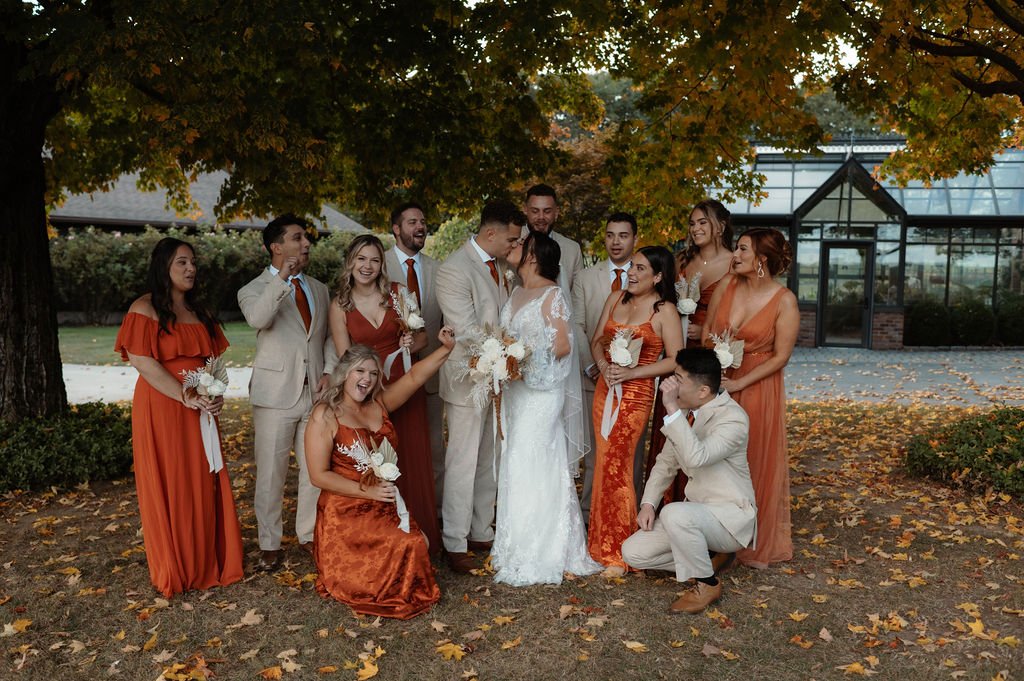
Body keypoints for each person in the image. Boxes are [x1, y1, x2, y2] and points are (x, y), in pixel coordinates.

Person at [115, 237, 243, 596]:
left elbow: (212, 363)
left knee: (204, 479)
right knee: (172, 480)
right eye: (181, 263)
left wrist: (212, 394)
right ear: (164, 268)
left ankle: (208, 561)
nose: (190, 269)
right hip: (163, 406)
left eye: (192, 263)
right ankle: (177, 565)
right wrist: (184, 395)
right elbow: (143, 362)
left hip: (200, 407)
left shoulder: (200, 312)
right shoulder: (144, 308)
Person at [305, 328, 456, 619]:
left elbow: (414, 378)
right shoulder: (325, 414)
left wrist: (446, 349)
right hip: (344, 507)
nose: (366, 379)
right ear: (344, 373)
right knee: (411, 544)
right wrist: (367, 491)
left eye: (373, 374)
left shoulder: (379, 404)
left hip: (383, 501)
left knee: (420, 543)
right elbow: (318, 476)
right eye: (359, 371)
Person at [491, 231, 602, 585]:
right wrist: (503, 360)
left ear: (534, 256)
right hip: (517, 392)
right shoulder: (516, 290)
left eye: (521, 244)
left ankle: (545, 549)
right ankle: (515, 544)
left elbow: (563, 347)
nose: (514, 246)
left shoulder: (552, 294)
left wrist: (520, 361)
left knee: (534, 460)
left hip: (541, 392)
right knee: (515, 458)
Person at [622, 348, 756, 614]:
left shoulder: (733, 419)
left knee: (674, 514)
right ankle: (709, 558)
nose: (671, 385)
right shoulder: (687, 414)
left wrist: (672, 408)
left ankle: (707, 583)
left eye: (679, 379)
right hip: (695, 517)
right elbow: (666, 464)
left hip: (729, 520)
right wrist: (648, 503)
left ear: (704, 391)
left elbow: (697, 457)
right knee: (633, 552)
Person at [328, 234, 440, 553]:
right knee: (378, 460)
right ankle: (385, 542)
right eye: (361, 259)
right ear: (351, 262)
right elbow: (345, 358)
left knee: (412, 456)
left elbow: (422, 339)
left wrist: (410, 343)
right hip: (367, 389)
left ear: (382, 264)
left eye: (374, 260)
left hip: (406, 379)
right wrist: (360, 392)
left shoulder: (399, 294)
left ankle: (421, 537)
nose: (368, 266)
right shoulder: (340, 305)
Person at [238, 215, 336, 571]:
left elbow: (325, 337)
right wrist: (282, 278)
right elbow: (258, 319)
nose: (306, 244)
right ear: (276, 247)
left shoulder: (320, 289)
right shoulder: (252, 289)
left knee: (314, 469)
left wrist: (328, 371)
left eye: (306, 238)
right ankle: (269, 543)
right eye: (297, 238)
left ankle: (309, 535)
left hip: (316, 393)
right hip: (275, 394)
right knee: (271, 473)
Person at [703, 228, 799, 568]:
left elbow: (780, 357)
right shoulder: (726, 287)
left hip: (758, 387)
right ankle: (714, 536)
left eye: (743, 249)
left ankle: (748, 541)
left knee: (751, 458)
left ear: (761, 259)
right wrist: (716, 376)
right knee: (714, 459)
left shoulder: (784, 300)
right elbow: (707, 336)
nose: (736, 255)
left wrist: (741, 383)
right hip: (719, 383)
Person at [435, 200, 522, 573]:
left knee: (491, 457)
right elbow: (467, 329)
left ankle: (481, 529)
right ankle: (454, 540)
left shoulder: (503, 266)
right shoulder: (453, 270)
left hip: (498, 376)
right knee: (463, 460)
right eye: (511, 239)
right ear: (491, 233)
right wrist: (508, 352)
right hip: (466, 379)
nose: (514, 245)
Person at [588, 246, 684, 575]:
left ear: (658, 277)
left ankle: (619, 550)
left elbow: (676, 359)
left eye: (642, 269)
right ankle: (599, 544)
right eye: (633, 266)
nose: (632, 272)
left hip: (636, 392)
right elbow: (598, 339)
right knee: (603, 462)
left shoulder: (664, 310)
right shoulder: (616, 298)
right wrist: (604, 367)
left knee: (619, 464)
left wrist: (631, 373)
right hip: (606, 388)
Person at [646, 200, 735, 495]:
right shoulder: (682, 261)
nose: (695, 228)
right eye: (692, 223)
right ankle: (664, 499)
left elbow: (739, 311)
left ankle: (701, 500)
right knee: (673, 417)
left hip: (711, 354)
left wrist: (707, 331)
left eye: (702, 222)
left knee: (703, 425)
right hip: (678, 350)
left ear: (720, 226)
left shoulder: (734, 262)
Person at [572, 213, 638, 520]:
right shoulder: (586, 277)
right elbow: (579, 324)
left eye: (623, 235)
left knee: (629, 450)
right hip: (593, 375)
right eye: (610, 235)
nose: (615, 241)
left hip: (636, 380)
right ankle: (589, 513)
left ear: (634, 239)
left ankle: (626, 512)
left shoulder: (645, 274)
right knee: (596, 450)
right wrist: (592, 365)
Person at [384, 203, 445, 512]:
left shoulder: (438, 268)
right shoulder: (377, 266)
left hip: (432, 373)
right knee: (393, 448)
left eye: (422, 221)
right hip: (390, 376)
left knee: (434, 449)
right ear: (397, 228)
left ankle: (433, 513)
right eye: (412, 222)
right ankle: (392, 513)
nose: (420, 227)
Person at [524, 184, 584, 292]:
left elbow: (576, 298)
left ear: (556, 213)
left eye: (547, 211)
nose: (541, 217)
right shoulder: (512, 244)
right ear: (525, 210)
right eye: (535, 211)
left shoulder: (572, 249)